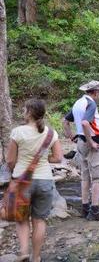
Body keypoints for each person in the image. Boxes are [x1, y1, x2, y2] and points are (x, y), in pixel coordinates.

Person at [6, 99, 63, 262]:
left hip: (22, 180)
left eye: (24, 110)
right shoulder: (51, 133)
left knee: (22, 219)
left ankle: (24, 252)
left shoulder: (17, 132)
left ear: (29, 112)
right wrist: (44, 160)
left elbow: (10, 161)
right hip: (44, 180)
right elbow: (58, 157)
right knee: (39, 220)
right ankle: (36, 257)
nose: (22, 112)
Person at [62, 80, 99, 220]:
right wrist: (92, 142)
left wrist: (71, 137)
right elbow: (85, 123)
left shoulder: (78, 103)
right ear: (94, 92)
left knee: (85, 176)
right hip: (91, 143)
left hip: (81, 142)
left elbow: (65, 121)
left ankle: (85, 207)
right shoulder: (91, 103)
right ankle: (95, 210)